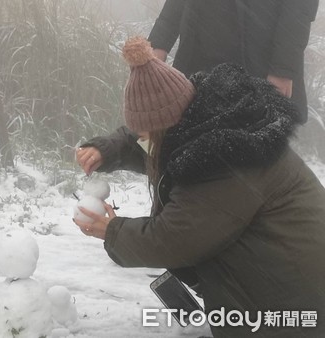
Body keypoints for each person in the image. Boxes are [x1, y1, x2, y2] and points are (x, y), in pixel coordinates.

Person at [74, 37, 325, 337]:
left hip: (297, 303)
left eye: (145, 136)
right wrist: (108, 150)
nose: (142, 143)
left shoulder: (223, 161)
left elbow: (174, 239)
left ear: (165, 127)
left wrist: (112, 230)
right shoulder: (210, 123)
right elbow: (159, 147)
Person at [148, 0, 319, 124]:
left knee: (254, 160)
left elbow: (300, 7)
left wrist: (282, 69)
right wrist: (159, 42)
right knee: (185, 152)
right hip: (196, 63)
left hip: (257, 68)